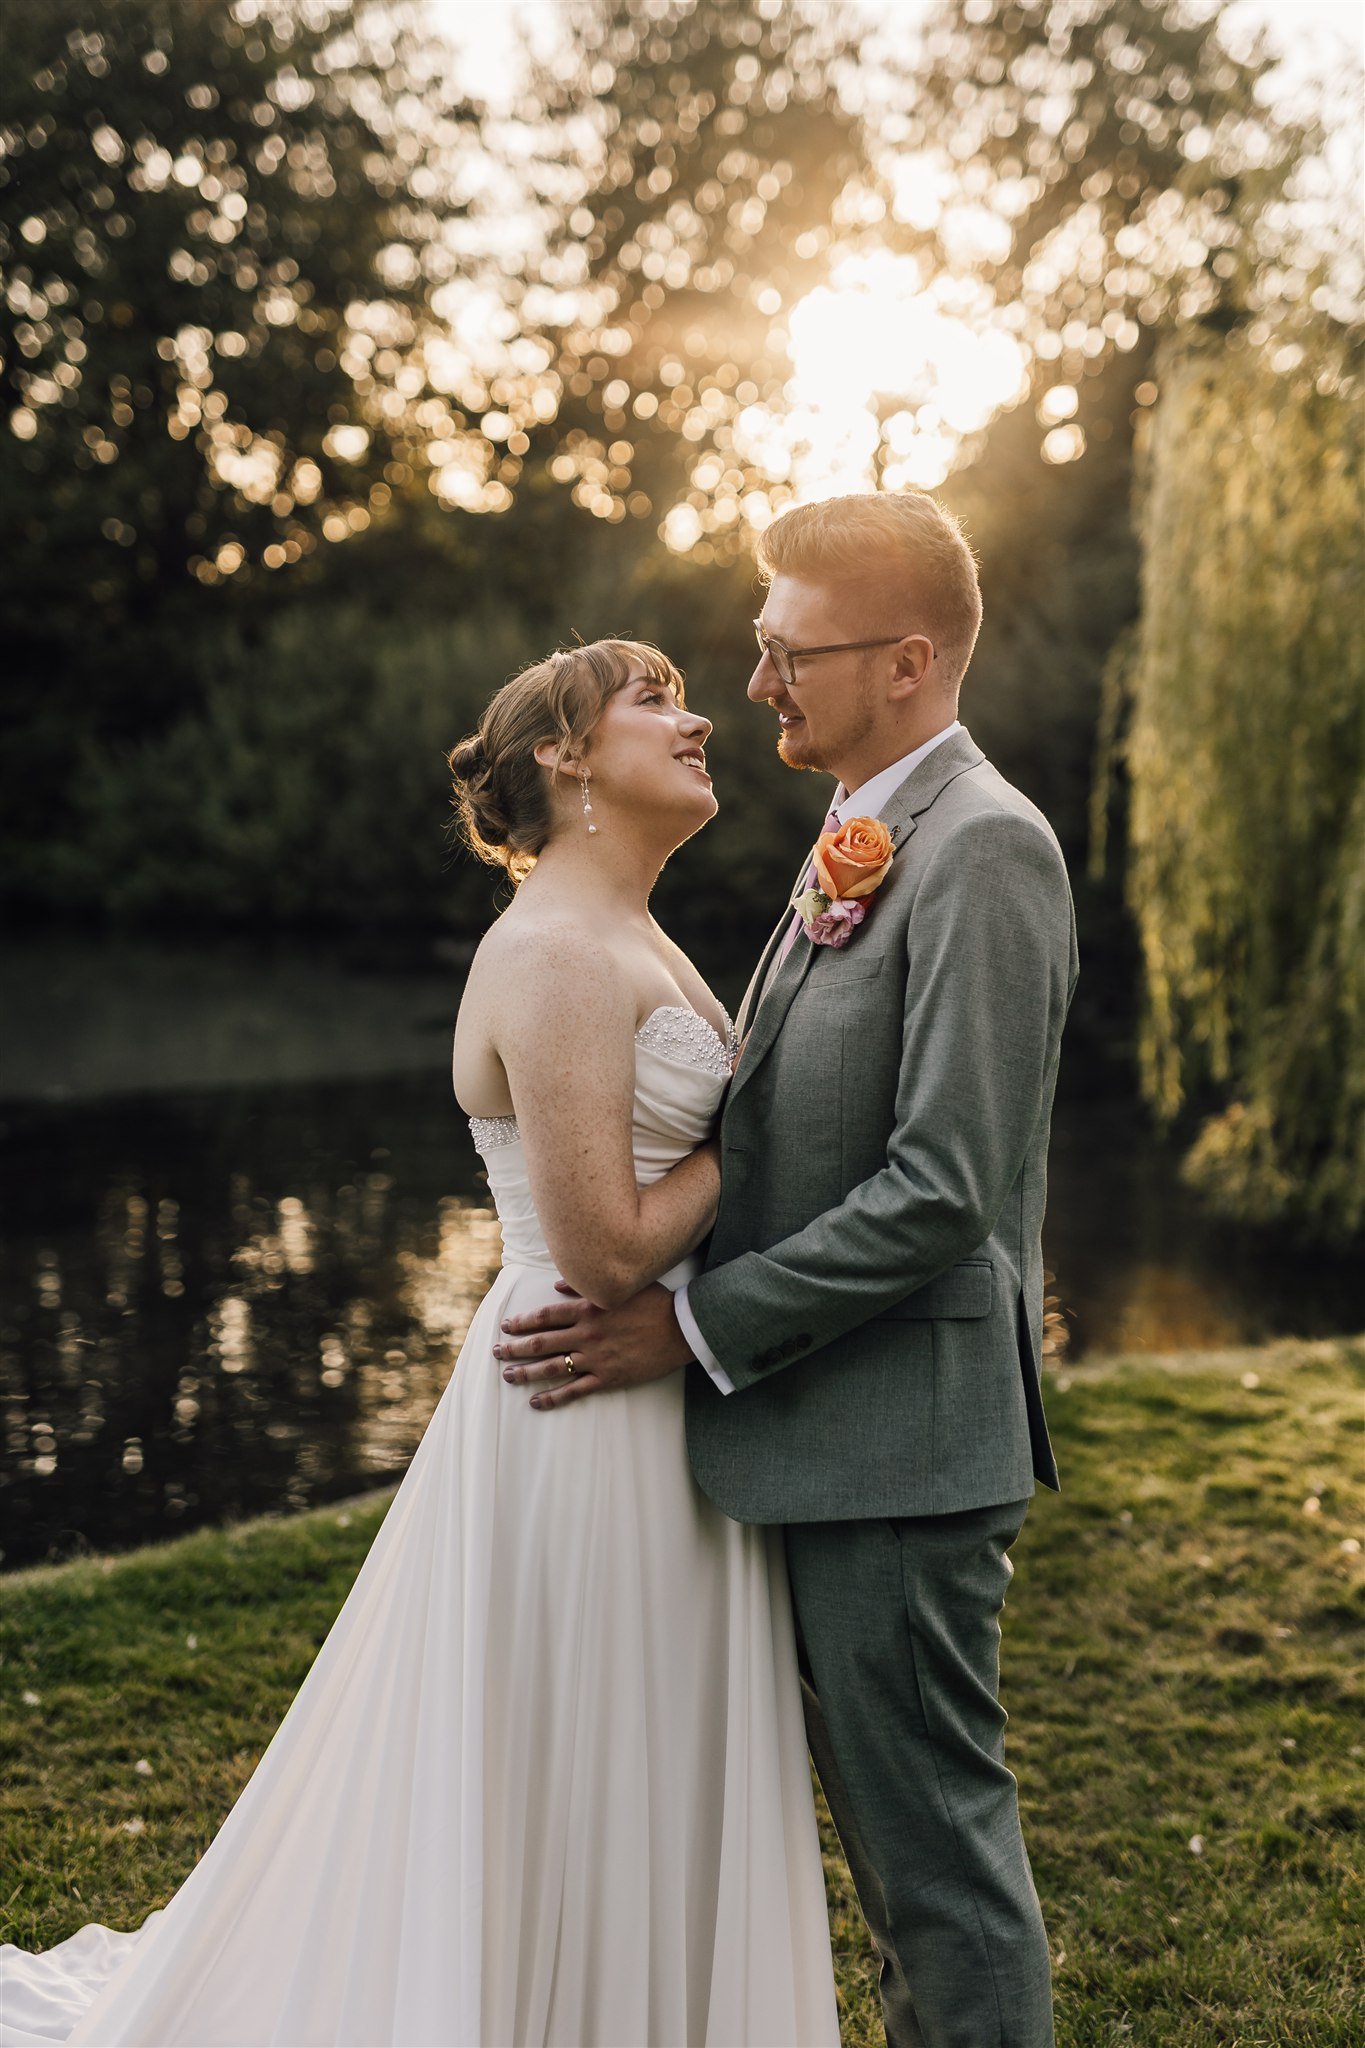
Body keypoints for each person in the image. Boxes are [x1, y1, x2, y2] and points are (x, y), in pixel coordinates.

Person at [0, 639, 839, 2048]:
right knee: (577, 1745)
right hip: (580, 1389)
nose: (698, 718)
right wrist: (762, 1142)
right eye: (653, 698)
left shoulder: (630, 928)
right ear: (564, 756)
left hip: (638, 1385)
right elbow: (605, 1245)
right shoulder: (561, 953)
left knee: (626, 1746)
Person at [497, 493, 1079, 2048]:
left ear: (901, 661)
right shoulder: (857, 835)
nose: (751, 684)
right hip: (827, 1438)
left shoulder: (986, 852)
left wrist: (686, 1325)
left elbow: (943, 1188)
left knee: (934, 1870)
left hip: (897, 1444)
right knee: (899, 1871)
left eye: (781, 652)